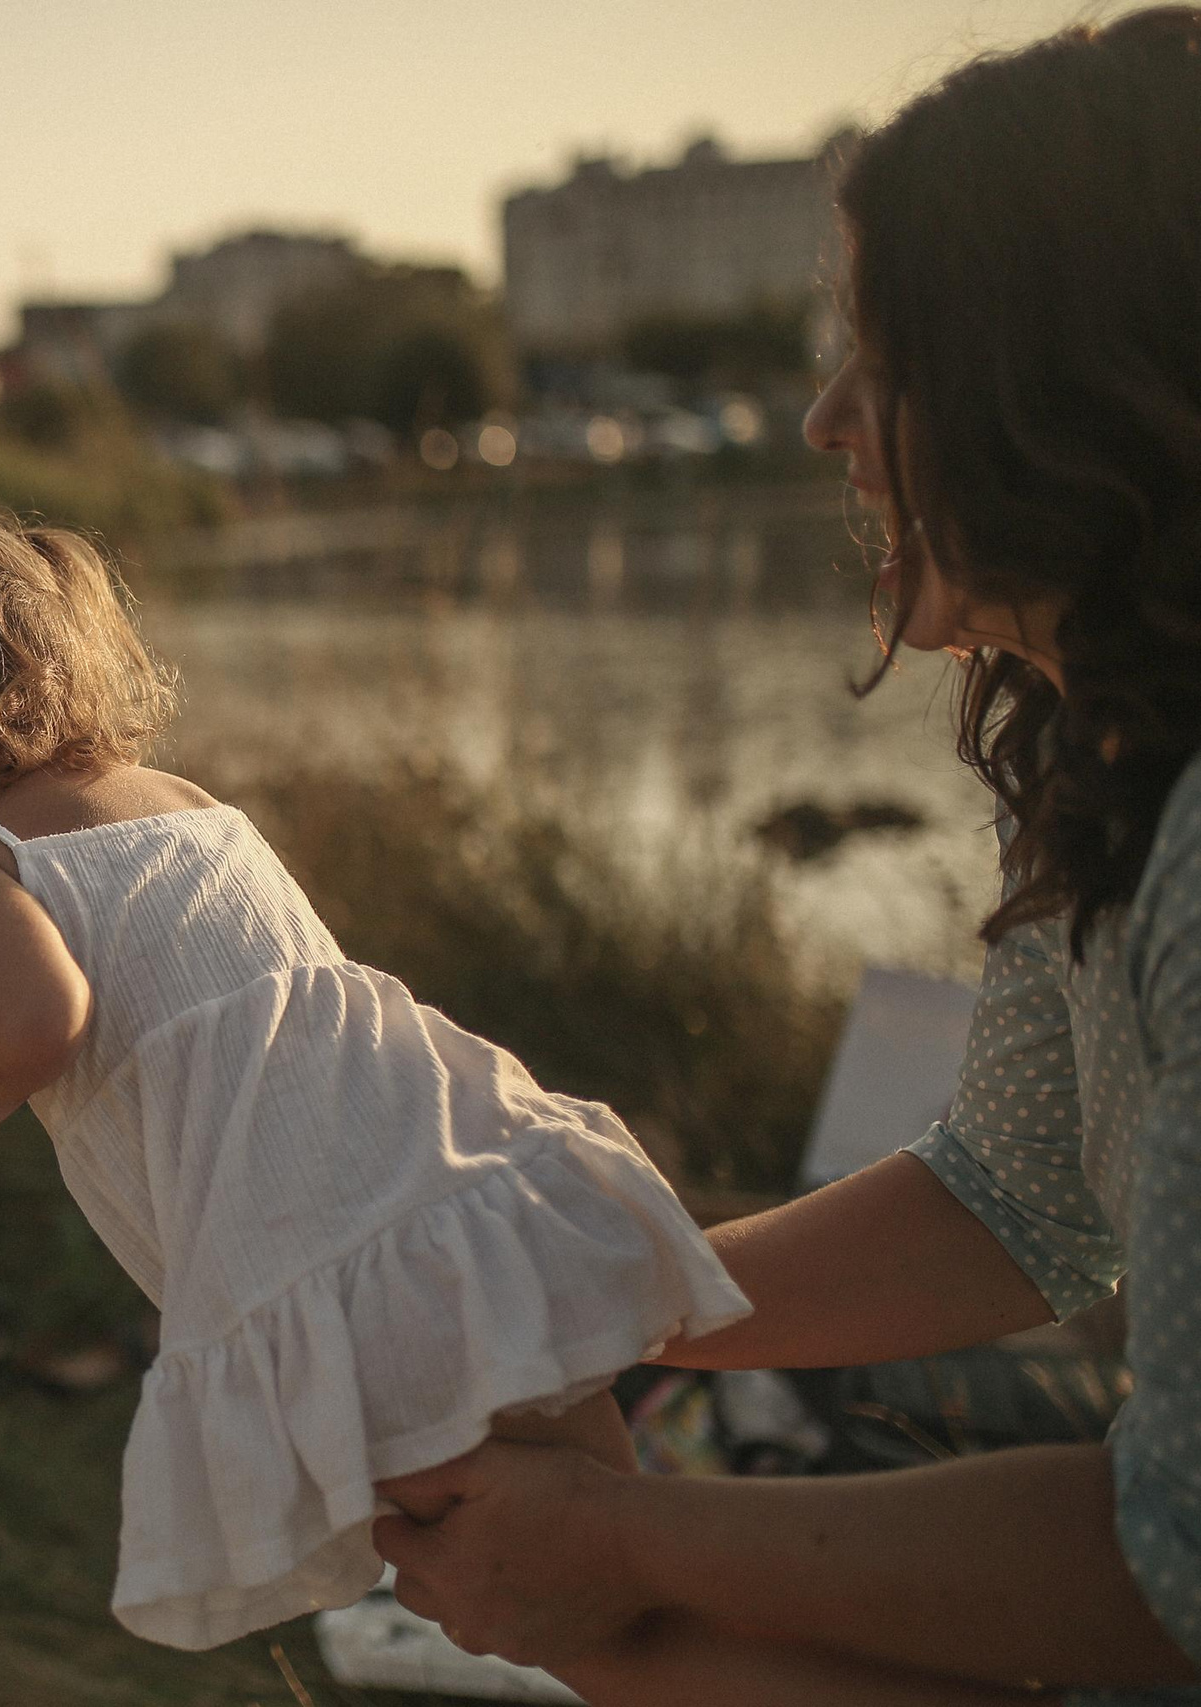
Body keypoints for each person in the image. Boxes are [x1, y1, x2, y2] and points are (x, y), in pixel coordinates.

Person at [368, 11, 1201, 1704]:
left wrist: (628, 1546)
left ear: (1072, 384)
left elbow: (1171, 1571)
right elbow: (1014, 1197)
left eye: (884, 364)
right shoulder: (1112, 764)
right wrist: (589, 1316)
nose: (825, 421)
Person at [0, 501, 750, 1650]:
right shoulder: (177, 801)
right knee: (632, 1549)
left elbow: (32, 1026)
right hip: (455, 1209)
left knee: (565, 1622)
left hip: (326, 1261)